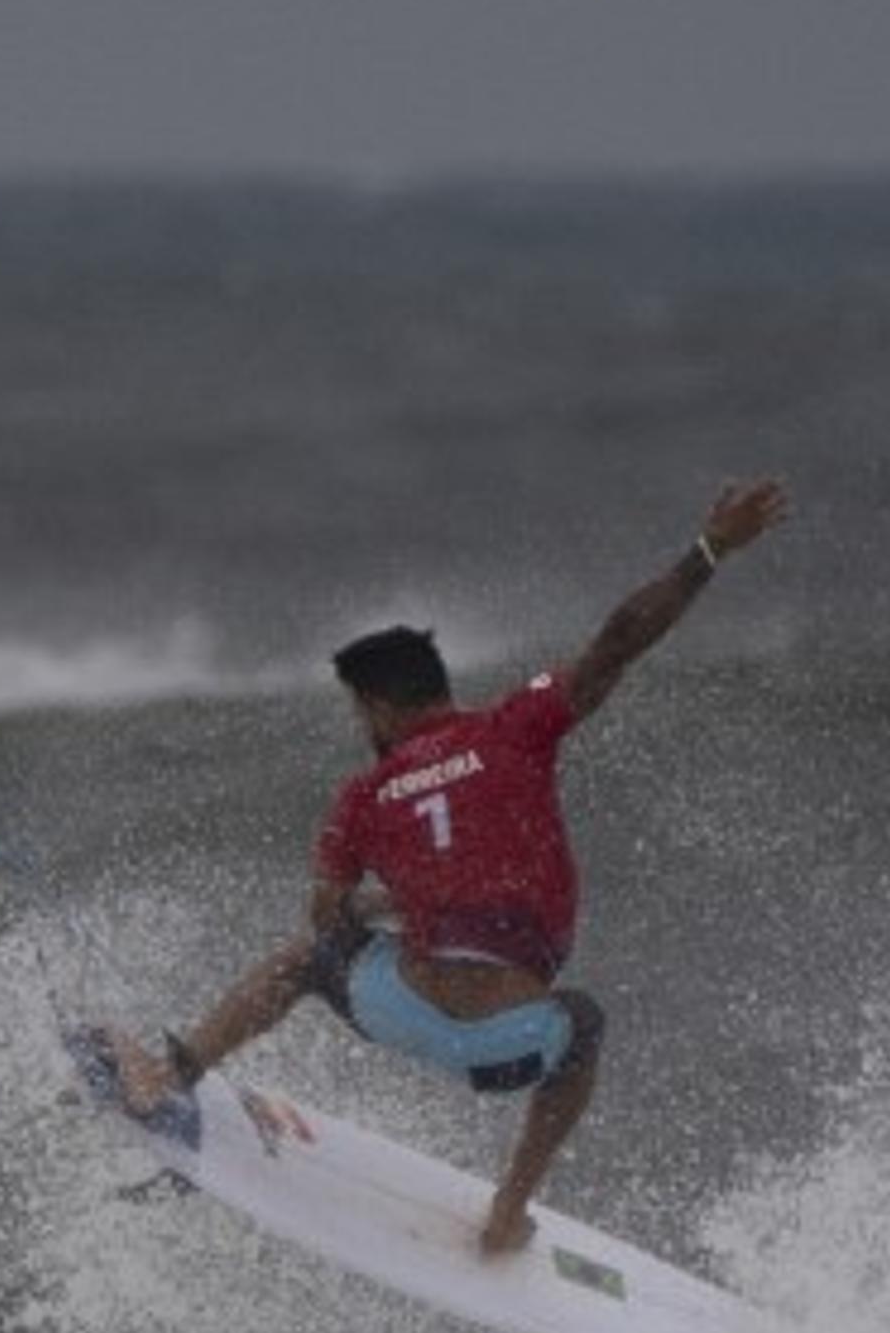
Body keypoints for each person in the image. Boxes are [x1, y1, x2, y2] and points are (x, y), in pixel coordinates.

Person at [108, 477, 791, 1256]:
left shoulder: (362, 795)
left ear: (380, 708)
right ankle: (507, 1214)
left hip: (399, 1012)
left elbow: (327, 921)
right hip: (512, 1044)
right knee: (585, 1024)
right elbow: (619, 640)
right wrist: (709, 551)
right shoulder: (514, 729)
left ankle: (171, 1074)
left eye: (357, 711)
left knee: (303, 963)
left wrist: (391, 903)